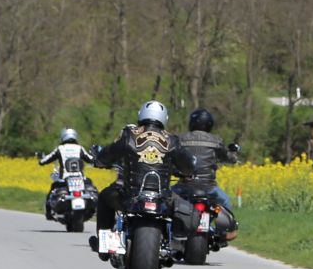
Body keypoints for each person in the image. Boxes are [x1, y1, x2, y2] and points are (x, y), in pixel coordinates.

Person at [89, 101, 181, 252]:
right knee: (182, 206)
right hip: (162, 196)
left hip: (131, 194)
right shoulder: (172, 139)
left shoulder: (130, 135)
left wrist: (99, 160)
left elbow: (109, 153)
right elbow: (187, 164)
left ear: (141, 115)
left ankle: (103, 242)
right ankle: (174, 243)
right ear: (165, 118)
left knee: (105, 197)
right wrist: (188, 170)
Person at [172, 108, 240, 236]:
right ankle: (227, 232)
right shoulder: (216, 141)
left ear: (191, 122)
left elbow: (172, 156)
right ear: (210, 124)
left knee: (166, 201)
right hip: (209, 188)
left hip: (185, 186)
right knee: (225, 202)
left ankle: (166, 230)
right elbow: (228, 157)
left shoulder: (180, 139)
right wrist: (233, 157)